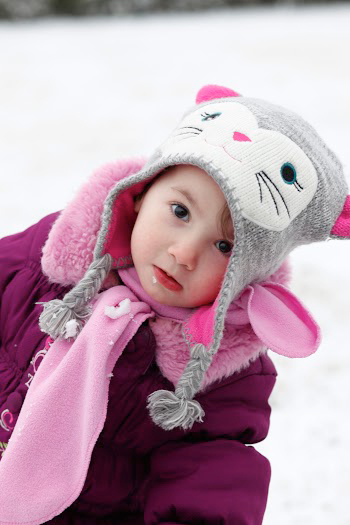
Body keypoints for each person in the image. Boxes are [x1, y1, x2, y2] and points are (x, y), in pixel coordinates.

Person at [0, 84, 349, 525]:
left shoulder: (221, 372)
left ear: (249, 272)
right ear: (143, 192)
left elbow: (211, 476)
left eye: (225, 245)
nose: (184, 254)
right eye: (180, 212)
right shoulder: (50, 259)